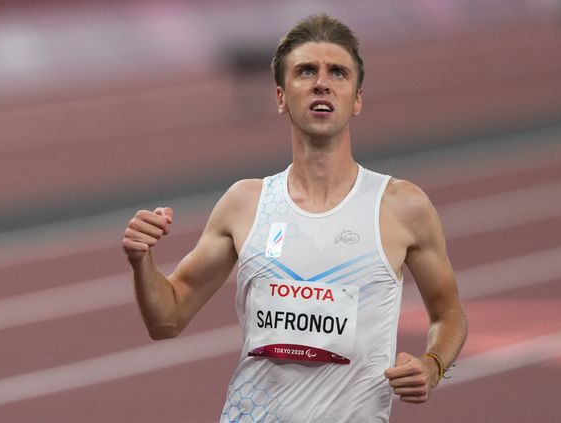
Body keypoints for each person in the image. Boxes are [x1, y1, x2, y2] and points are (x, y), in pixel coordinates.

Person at [122, 13, 467, 422]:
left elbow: (449, 315)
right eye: (306, 71)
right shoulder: (246, 203)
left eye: (337, 72)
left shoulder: (400, 206)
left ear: (356, 99)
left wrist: (433, 364)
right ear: (282, 97)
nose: (322, 82)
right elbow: (168, 318)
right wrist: (141, 260)